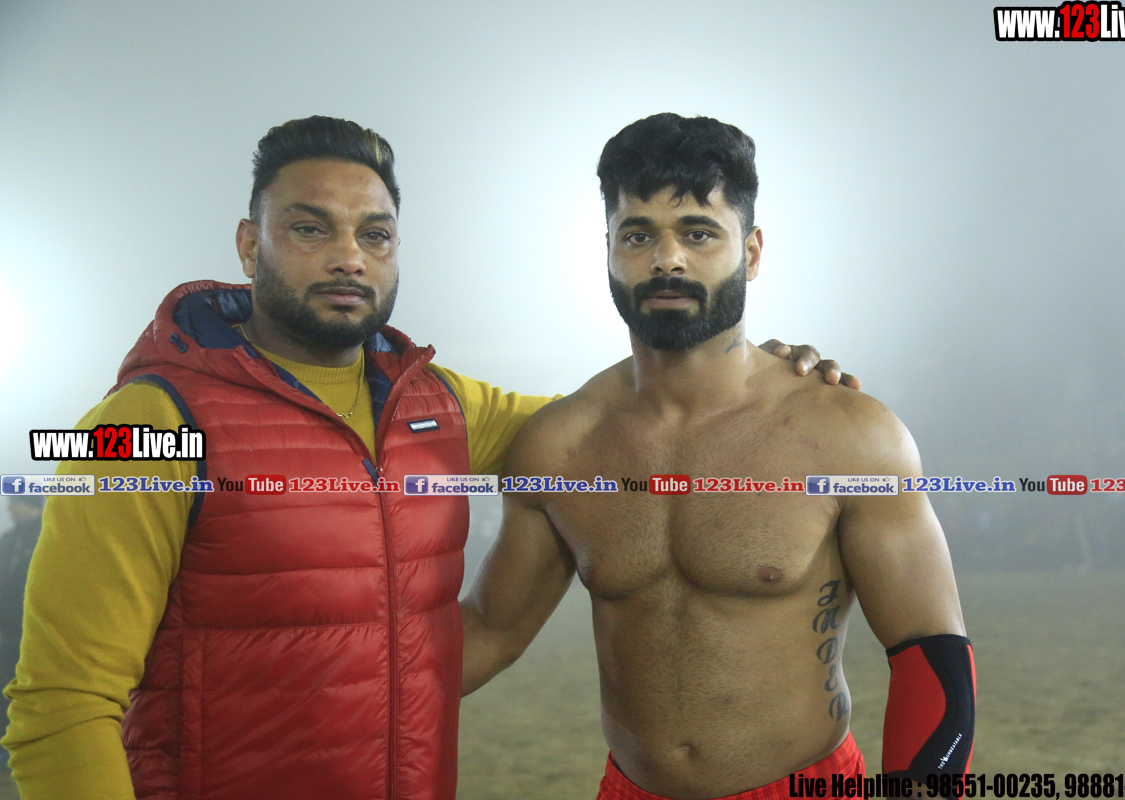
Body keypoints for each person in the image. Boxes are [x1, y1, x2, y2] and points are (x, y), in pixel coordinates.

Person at [3, 116, 853, 800]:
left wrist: (760, 377)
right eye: (309, 228)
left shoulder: (440, 407)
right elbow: (60, 705)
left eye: (374, 234)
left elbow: (647, 424)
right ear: (248, 244)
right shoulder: (141, 423)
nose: (348, 256)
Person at [461, 113, 976, 800]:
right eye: (637, 235)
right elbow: (489, 632)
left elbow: (930, 655)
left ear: (752, 252)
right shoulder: (559, 444)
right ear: (608, 251)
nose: (666, 259)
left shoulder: (850, 435)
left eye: (698, 233)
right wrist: (319, 679)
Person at [0, 496, 45, 728]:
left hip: (37, 635)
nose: (9, 508)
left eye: (14, 503)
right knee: (5, 690)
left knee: (31, 692)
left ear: (29, 505)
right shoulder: (8, 540)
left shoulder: (48, 538)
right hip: (6, 634)